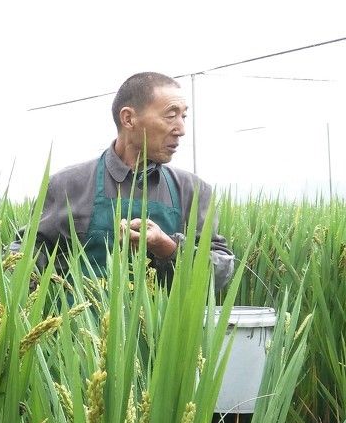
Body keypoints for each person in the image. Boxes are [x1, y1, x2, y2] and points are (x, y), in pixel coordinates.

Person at [35, 71, 234, 290]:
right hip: (80, 323)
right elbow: (25, 258)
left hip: (162, 325)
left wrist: (168, 247)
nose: (181, 130)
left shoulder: (193, 191)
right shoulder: (67, 184)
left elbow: (221, 274)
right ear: (129, 118)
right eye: (171, 115)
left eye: (183, 116)